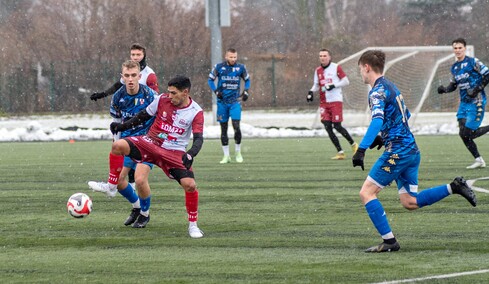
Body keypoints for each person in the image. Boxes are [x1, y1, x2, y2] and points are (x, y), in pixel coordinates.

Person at [352, 50, 477, 253]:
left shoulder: (376, 92)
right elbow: (405, 115)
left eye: (360, 69)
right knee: (410, 201)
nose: (361, 74)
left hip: (398, 152)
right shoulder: (391, 86)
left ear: (367, 67)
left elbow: (376, 120)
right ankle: (454, 187)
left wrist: (362, 149)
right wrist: (383, 137)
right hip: (411, 150)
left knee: (367, 193)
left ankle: (390, 242)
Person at [88, 75, 205, 238]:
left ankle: (193, 226)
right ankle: (112, 186)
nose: (169, 96)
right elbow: (143, 115)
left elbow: (199, 139)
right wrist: (123, 126)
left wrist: (191, 154)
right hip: (149, 143)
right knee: (118, 146)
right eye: (168, 92)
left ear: (185, 92)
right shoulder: (162, 99)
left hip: (174, 151)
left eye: (173, 93)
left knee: (190, 185)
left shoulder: (196, 112)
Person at [89, 60, 157, 227]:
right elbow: (116, 125)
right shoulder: (118, 97)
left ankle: (145, 214)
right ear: (122, 77)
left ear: (140, 76)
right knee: (119, 181)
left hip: (147, 144)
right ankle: (136, 206)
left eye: (134, 75)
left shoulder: (149, 96)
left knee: (140, 181)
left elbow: (158, 121)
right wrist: (117, 146)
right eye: (127, 76)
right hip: (127, 142)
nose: (131, 79)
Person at [90, 43, 159, 187]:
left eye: (138, 55)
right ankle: (118, 188)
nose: (135, 57)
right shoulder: (127, 73)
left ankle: (121, 188)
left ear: (144, 55)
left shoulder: (149, 75)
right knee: (124, 165)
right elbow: (119, 86)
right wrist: (103, 94)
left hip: (144, 125)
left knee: (137, 168)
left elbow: (156, 102)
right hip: (128, 122)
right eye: (133, 54)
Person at [437, 38, 489, 169]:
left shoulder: (473, 62)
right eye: (455, 48)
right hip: (464, 103)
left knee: (469, 133)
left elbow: (487, 74)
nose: (457, 50)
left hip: (476, 101)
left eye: (460, 48)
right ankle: (479, 160)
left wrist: (477, 89)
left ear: (465, 48)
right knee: (463, 133)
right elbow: (454, 85)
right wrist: (444, 89)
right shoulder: (454, 67)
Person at [307, 48, 358, 160]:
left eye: (325, 56)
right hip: (324, 103)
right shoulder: (318, 70)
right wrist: (310, 92)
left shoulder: (336, 67)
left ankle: (354, 145)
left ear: (329, 57)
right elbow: (316, 85)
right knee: (327, 126)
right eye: (321, 56)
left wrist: (333, 85)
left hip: (335, 101)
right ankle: (340, 152)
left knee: (337, 126)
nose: (322, 58)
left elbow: (346, 81)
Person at [208, 48, 250, 164]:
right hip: (222, 103)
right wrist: (216, 91)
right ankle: (226, 155)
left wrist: (246, 91)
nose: (233, 59)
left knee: (236, 126)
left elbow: (247, 80)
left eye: (235, 57)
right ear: (226, 57)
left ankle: (238, 152)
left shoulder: (241, 68)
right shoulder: (219, 67)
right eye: (231, 57)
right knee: (224, 128)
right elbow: (210, 80)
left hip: (235, 102)